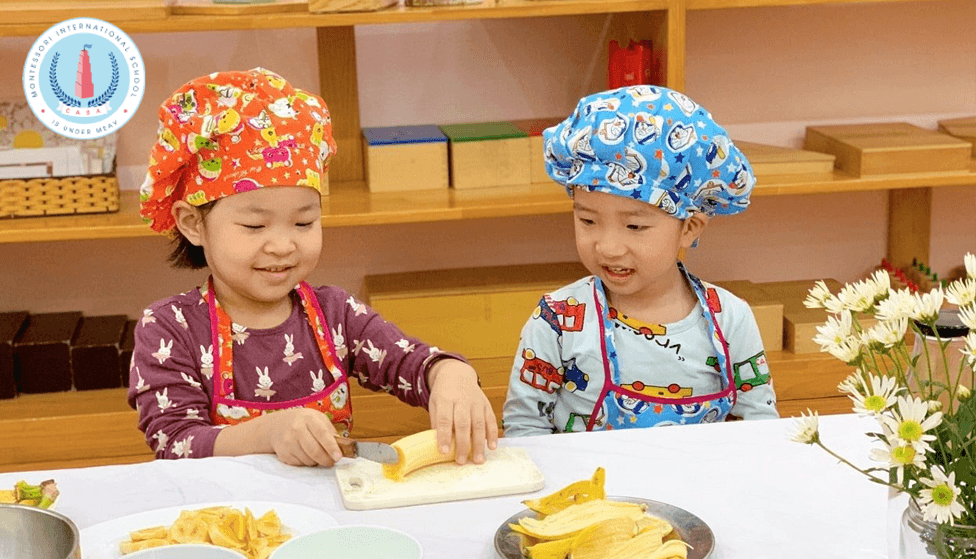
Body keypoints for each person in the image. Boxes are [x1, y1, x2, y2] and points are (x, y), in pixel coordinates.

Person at [129, 68, 497, 466]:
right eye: (254, 226)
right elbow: (175, 442)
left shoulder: (336, 314)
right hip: (222, 505)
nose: (283, 245)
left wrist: (450, 375)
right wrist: (268, 433)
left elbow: (410, 363)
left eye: (303, 222)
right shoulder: (169, 329)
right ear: (192, 224)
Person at [502, 85, 779, 436]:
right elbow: (524, 429)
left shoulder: (731, 319)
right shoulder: (558, 320)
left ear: (689, 228)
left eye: (634, 226)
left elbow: (761, 430)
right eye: (587, 220)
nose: (608, 248)